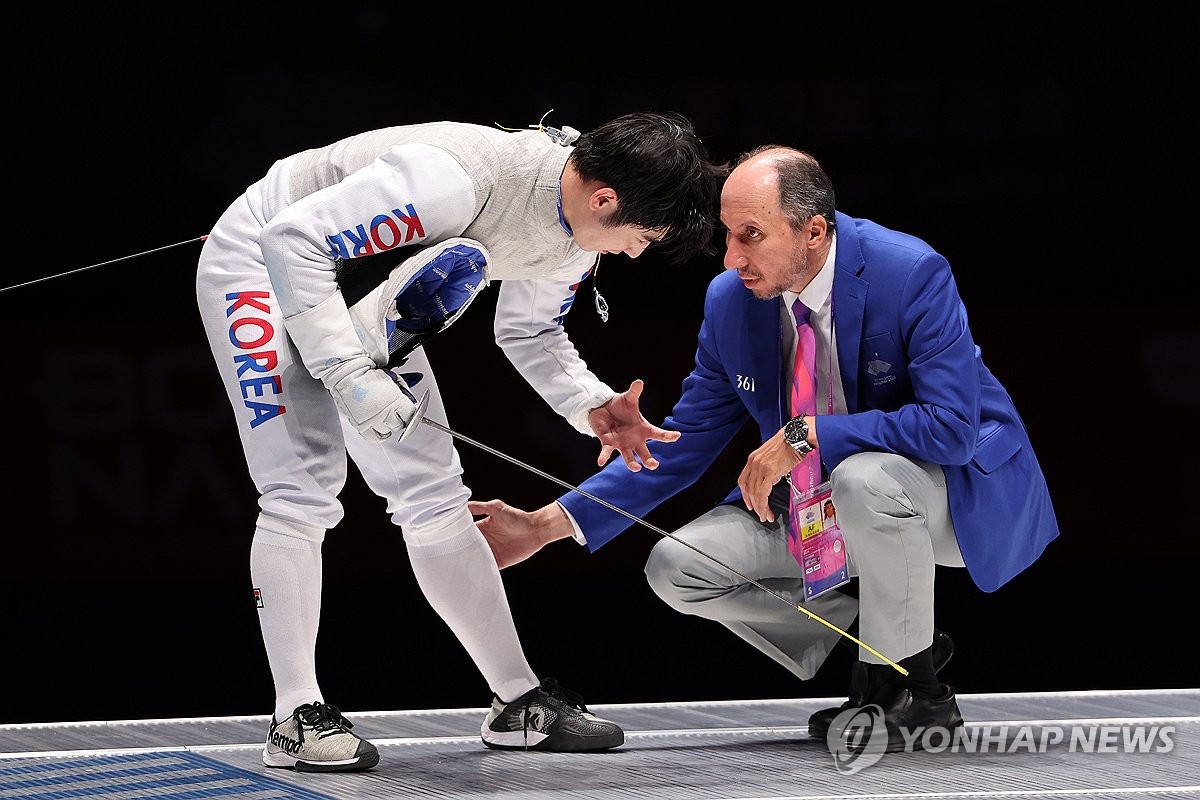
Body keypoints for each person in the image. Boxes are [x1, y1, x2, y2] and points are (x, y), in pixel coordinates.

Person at [470, 145, 1060, 754]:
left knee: (864, 478)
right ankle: (891, 637)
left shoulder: (909, 272)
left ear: (813, 232)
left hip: (946, 497)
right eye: (726, 236)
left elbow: (950, 427)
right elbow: (688, 441)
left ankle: (909, 693)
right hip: (817, 507)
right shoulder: (731, 301)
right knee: (678, 567)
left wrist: (806, 435)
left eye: (750, 236)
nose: (731, 259)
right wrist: (549, 524)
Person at [195, 111, 726, 772]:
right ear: (605, 199)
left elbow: (529, 334)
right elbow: (292, 239)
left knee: (432, 491)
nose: (637, 253)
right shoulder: (452, 178)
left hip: (366, 287)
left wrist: (591, 404)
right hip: (263, 259)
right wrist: (349, 372)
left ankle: (517, 703)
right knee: (300, 485)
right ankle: (294, 717)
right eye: (644, 236)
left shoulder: (575, 239)